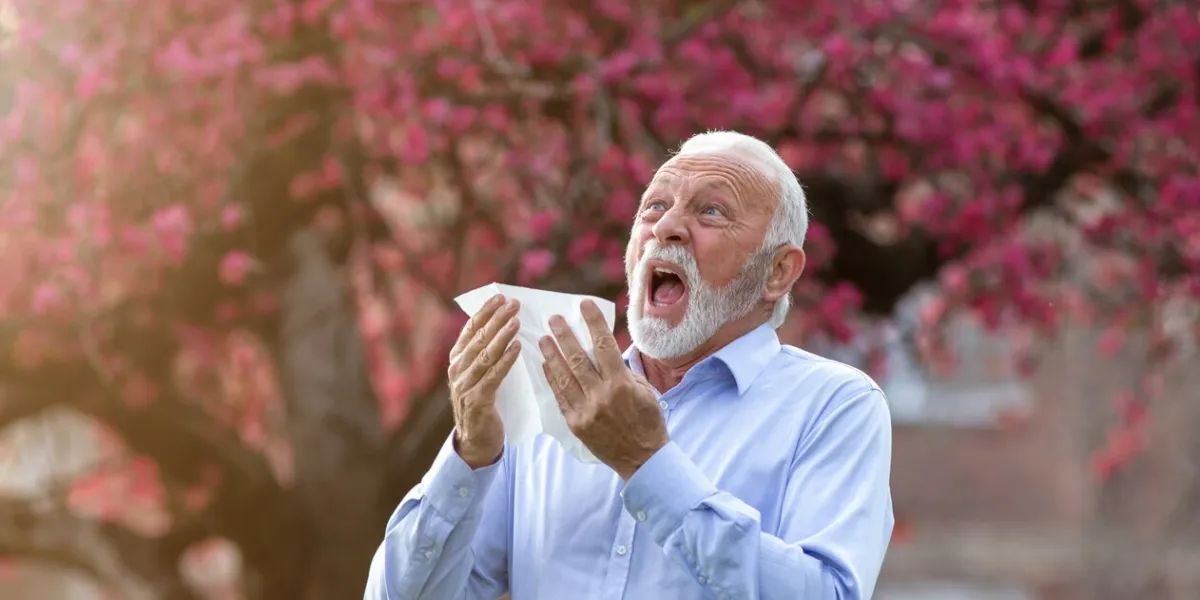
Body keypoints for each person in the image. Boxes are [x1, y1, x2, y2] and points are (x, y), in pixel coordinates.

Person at [364, 131, 894, 600]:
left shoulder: (835, 405)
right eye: (653, 206)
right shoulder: (544, 402)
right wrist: (469, 456)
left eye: (711, 211)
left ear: (778, 271)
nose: (667, 227)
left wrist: (647, 464)